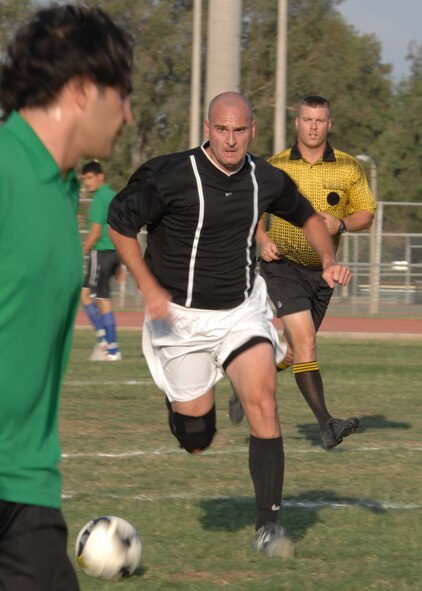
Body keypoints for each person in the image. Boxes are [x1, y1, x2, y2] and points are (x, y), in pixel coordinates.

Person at [107, 92, 351, 557]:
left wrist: (327, 259)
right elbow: (119, 225)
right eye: (222, 129)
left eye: (240, 130)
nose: (231, 139)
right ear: (207, 127)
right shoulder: (172, 176)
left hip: (241, 311)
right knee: (196, 440)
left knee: (263, 400)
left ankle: (269, 527)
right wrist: (148, 287)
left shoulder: (264, 177)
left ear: (253, 130)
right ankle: (183, 406)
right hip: (178, 319)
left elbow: (305, 216)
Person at [0, 4, 133, 590]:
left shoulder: (59, 192)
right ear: (82, 90)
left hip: (26, 490)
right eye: (121, 93)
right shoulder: (5, 168)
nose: (129, 113)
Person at [228, 95, 375, 450]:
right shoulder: (275, 166)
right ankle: (328, 425)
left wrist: (341, 222)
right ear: (296, 123)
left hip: (322, 275)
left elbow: (366, 213)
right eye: (307, 119)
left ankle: (243, 382)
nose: (312, 126)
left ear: (329, 124)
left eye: (319, 120)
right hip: (281, 268)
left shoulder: (348, 167)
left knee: (295, 353)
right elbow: (251, 213)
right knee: (307, 342)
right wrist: (262, 238)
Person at [81, 160, 123, 361]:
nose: (87, 183)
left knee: (98, 299)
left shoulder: (99, 198)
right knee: (91, 295)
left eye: (89, 178)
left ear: (100, 177)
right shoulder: (113, 195)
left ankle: (110, 348)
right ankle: (105, 343)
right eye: (84, 179)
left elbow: (96, 232)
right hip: (114, 253)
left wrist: (81, 252)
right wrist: (121, 263)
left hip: (102, 253)